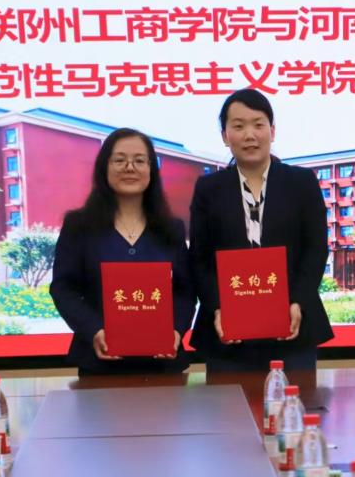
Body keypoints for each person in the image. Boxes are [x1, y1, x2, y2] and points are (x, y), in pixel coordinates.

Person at [188, 89, 332, 372]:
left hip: (293, 329)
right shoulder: (209, 188)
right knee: (228, 401)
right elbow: (199, 258)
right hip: (226, 335)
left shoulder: (301, 182)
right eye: (238, 126)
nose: (249, 135)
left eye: (258, 124)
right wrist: (218, 306)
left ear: (272, 131)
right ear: (225, 136)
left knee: (294, 400)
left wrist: (298, 302)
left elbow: (315, 249)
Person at [50, 128, 195, 375]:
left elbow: (185, 290)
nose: (130, 168)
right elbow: (64, 288)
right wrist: (94, 330)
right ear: (104, 168)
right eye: (119, 160)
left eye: (139, 160)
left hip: (163, 365)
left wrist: (176, 330)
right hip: (98, 366)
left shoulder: (171, 228)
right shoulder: (79, 225)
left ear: (151, 169)